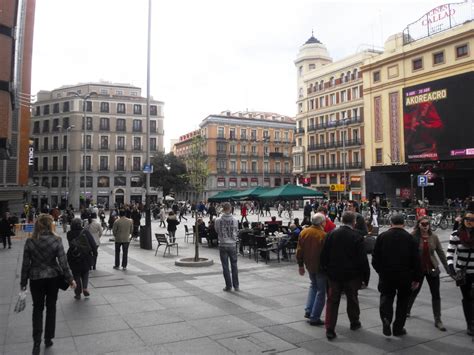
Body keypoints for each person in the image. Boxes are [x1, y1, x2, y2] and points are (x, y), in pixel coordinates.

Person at [20, 214, 76, 355]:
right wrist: (70, 279)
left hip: (35, 278)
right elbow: (63, 262)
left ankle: (36, 342)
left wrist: (23, 283)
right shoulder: (56, 240)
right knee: (51, 307)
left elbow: (26, 265)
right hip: (52, 278)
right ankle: (48, 338)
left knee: (37, 308)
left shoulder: (30, 242)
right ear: (51, 225)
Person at [320, 211, 370, 340]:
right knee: (352, 298)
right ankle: (354, 322)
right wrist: (365, 277)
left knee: (332, 301)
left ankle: (330, 328)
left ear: (342, 220)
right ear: (354, 222)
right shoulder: (357, 236)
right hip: (351, 275)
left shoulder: (331, 234)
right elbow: (362, 260)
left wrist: (325, 270)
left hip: (334, 274)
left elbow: (324, 254)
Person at [372, 213, 422, 337]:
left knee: (386, 297)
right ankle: (398, 328)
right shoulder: (411, 239)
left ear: (391, 223)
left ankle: (386, 318)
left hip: (386, 275)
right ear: (403, 224)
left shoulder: (382, 237)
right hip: (405, 276)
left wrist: (380, 271)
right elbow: (416, 261)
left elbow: (375, 259)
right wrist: (416, 278)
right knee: (403, 302)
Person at [405, 216, 449, 330]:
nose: (425, 226)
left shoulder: (434, 237)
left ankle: (438, 319)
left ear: (429, 225)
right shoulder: (412, 237)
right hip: (418, 270)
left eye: (427, 224)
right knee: (414, 290)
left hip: (432, 268)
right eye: (423, 224)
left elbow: (440, 252)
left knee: (436, 294)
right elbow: (407, 254)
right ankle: (407, 310)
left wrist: (448, 268)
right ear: (418, 224)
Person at [447, 207, 474, 336]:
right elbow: (450, 253)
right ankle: (470, 324)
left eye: (472, 219)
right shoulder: (455, 235)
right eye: (467, 219)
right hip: (462, 272)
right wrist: (451, 268)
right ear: (463, 220)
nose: (470, 221)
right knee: (467, 298)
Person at [296, 213, 327, 326]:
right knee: (321, 292)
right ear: (321, 222)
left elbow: (299, 250)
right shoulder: (322, 235)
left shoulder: (304, 232)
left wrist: (300, 265)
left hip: (309, 265)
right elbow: (326, 254)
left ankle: (308, 310)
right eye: (325, 221)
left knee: (313, 286)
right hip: (320, 267)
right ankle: (314, 317)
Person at [67, 218, 97, 300]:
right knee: (85, 272)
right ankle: (85, 288)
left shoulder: (69, 234)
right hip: (85, 256)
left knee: (76, 274)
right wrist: (95, 254)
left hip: (73, 256)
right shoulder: (86, 232)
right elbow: (93, 244)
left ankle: (77, 293)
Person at [215, 202, 239, 291]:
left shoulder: (218, 220)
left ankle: (228, 286)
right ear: (230, 208)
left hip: (223, 244)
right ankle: (236, 285)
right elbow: (236, 230)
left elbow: (217, 230)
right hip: (232, 244)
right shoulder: (235, 220)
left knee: (225, 266)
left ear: (223, 209)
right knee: (234, 265)